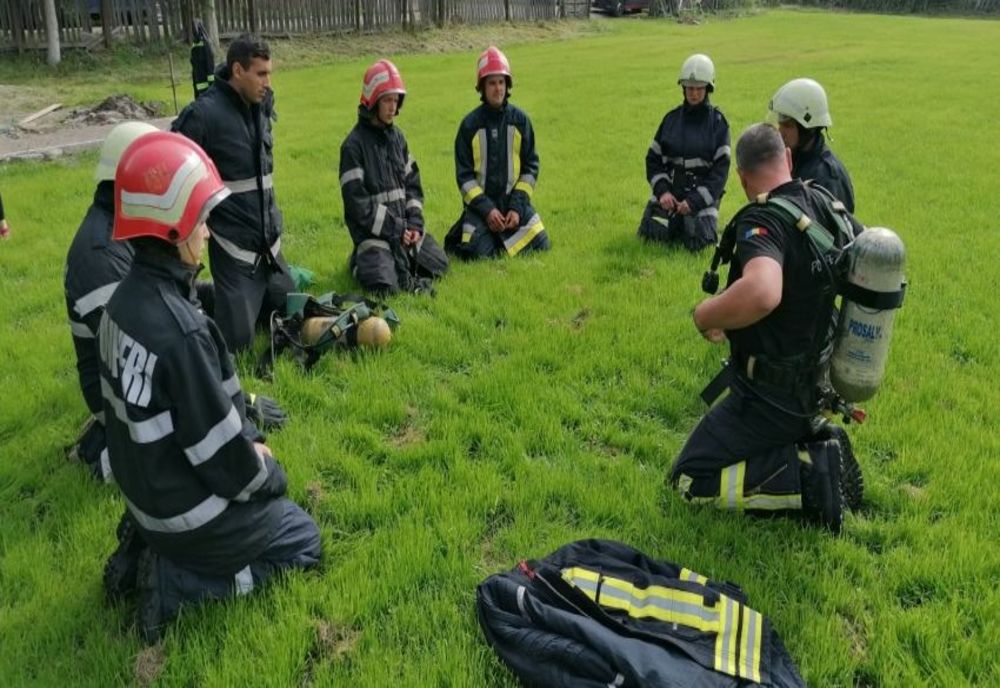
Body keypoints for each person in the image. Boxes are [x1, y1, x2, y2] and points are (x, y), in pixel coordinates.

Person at [98, 131, 321, 643]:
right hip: (187, 516)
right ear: (174, 227)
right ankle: (180, 584)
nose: (207, 228)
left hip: (147, 501)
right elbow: (225, 462)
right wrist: (268, 472)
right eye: (199, 216)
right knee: (302, 540)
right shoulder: (183, 334)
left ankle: (151, 548)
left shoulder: (122, 305)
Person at [64, 122, 287, 482]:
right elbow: (150, 348)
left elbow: (174, 298)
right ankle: (106, 448)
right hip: (122, 390)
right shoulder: (99, 256)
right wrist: (236, 403)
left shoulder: (125, 227)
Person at [670, 123, 864, 535]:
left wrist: (706, 314)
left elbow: (762, 291)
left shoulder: (765, 219)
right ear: (788, 160)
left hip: (768, 399)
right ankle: (816, 440)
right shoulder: (823, 201)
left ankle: (809, 478)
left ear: (741, 177)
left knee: (688, 481)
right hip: (816, 385)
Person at [172, 33, 294, 352]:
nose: (267, 82)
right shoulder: (203, 116)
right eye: (261, 73)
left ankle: (250, 296)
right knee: (238, 344)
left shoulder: (261, 104)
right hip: (234, 250)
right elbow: (174, 170)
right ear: (238, 71)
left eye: (269, 73)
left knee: (294, 313)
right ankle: (207, 294)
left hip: (270, 247)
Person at [338, 59, 449, 294]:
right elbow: (358, 206)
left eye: (396, 100)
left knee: (440, 265)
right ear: (373, 101)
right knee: (385, 286)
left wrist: (415, 225)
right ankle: (359, 262)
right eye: (387, 100)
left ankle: (400, 259)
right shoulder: (353, 147)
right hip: (375, 237)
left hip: (404, 232)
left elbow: (413, 187)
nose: (392, 106)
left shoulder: (399, 139)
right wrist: (396, 228)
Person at [445, 46, 550, 260]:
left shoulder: (521, 121)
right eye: (492, 83)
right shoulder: (469, 125)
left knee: (541, 244)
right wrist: (487, 210)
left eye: (501, 82)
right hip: (481, 209)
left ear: (507, 85)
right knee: (475, 254)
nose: (498, 89)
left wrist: (517, 207)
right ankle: (471, 232)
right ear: (482, 87)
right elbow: (464, 178)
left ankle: (498, 236)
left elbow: (530, 169)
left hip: (513, 206)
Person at [637, 54, 731, 251]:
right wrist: (663, 192)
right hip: (670, 195)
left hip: (700, 197)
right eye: (689, 88)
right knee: (651, 234)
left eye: (699, 88)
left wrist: (694, 201)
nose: (694, 94)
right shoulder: (670, 120)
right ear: (683, 88)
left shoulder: (718, 124)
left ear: (708, 89)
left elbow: (719, 174)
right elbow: (653, 159)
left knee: (699, 241)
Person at [769, 78, 855, 212]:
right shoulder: (794, 159)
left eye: (788, 126)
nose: (780, 132)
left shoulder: (828, 178)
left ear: (807, 129)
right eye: (780, 125)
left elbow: (833, 231)